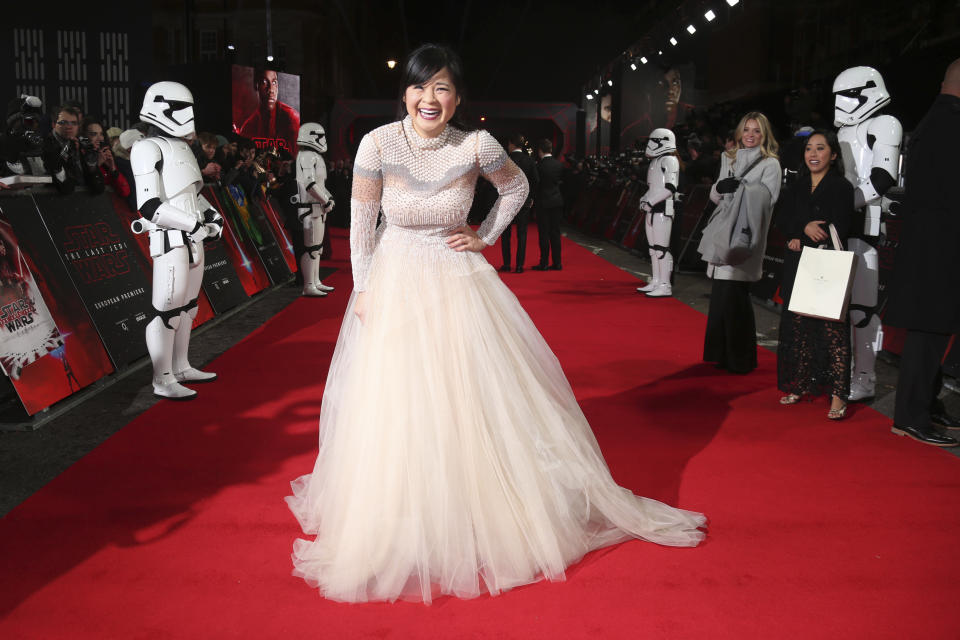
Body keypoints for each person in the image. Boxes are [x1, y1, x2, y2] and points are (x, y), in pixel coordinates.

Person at [285, 43, 705, 605]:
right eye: (419, 86)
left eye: (441, 88)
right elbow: (361, 222)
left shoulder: (477, 143)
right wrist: (365, 290)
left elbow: (517, 188)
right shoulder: (377, 143)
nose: (429, 98)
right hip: (396, 278)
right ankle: (405, 516)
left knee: (469, 397)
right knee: (398, 401)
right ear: (404, 93)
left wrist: (485, 234)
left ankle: (473, 509)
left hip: (457, 278)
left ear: (457, 97)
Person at [883, 59, 960, 448]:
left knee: (933, 331)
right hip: (938, 249)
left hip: (932, 247)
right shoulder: (949, 124)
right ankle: (911, 416)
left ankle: (924, 407)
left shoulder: (936, 121)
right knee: (927, 334)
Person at [131, 81, 222, 400]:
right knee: (167, 309)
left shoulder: (182, 147)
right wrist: (192, 224)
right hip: (169, 237)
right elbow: (149, 205)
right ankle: (162, 376)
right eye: (181, 108)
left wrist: (212, 217)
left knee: (188, 307)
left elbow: (192, 194)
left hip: (192, 235)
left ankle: (180, 365)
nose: (188, 116)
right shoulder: (146, 148)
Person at [832, 67, 903, 402]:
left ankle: (864, 377)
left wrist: (846, 204)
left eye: (845, 95)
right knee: (839, 308)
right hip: (840, 225)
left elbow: (882, 177)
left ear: (867, 91)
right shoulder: (846, 131)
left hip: (865, 227)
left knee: (861, 311)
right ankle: (841, 371)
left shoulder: (884, 124)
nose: (840, 103)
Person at [775, 130, 854, 419]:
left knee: (833, 332)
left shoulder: (841, 187)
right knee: (799, 328)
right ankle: (800, 383)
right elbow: (782, 218)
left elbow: (838, 227)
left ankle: (838, 395)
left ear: (833, 155)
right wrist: (799, 230)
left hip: (825, 266)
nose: (813, 154)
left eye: (821, 149)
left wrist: (806, 232)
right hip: (798, 264)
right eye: (809, 148)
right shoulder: (797, 185)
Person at [702, 112, 781, 374]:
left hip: (746, 235)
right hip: (722, 230)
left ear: (764, 135)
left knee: (734, 294)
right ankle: (724, 354)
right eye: (746, 129)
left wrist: (742, 190)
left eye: (756, 131)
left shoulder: (771, 164)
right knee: (723, 296)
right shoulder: (729, 157)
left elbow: (768, 202)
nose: (750, 135)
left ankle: (741, 359)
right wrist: (721, 188)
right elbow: (716, 194)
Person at [294, 122, 335, 297]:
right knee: (311, 248)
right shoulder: (306, 156)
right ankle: (308, 285)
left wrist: (328, 199)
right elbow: (310, 184)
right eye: (319, 136)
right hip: (310, 208)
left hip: (317, 208)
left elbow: (318, 185)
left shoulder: (312, 156)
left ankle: (315, 281)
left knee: (317, 248)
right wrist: (326, 200)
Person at [41, 105, 104, 195]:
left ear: (78, 126)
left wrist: (92, 166)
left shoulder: (80, 146)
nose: (69, 127)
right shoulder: (45, 146)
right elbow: (66, 188)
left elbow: (98, 188)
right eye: (63, 122)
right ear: (54, 124)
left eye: (73, 123)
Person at [499, 133, 538, 273]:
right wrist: (531, 198)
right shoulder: (529, 161)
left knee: (506, 235)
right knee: (522, 234)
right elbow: (535, 181)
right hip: (524, 202)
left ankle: (507, 264)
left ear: (511, 144)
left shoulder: (505, 160)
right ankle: (520, 265)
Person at [238, 67, 300, 153]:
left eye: (274, 82)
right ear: (256, 86)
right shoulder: (248, 127)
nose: (271, 90)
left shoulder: (292, 118)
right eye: (264, 82)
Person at [531, 138, 564, 270]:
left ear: (540, 151)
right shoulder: (559, 165)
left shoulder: (538, 166)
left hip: (543, 202)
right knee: (555, 233)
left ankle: (544, 263)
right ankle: (557, 263)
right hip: (556, 201)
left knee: (544, 233)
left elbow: (535, 185)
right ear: (551, 150)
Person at [81, 118, 130, 198]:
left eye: (101, 134)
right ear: (84, 136)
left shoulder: (106, 156)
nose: (100, 138)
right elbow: (88, 189)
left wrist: (113, 170)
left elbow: (125, 192)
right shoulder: (79, 157)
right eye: (94, 134)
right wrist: (97, 165)